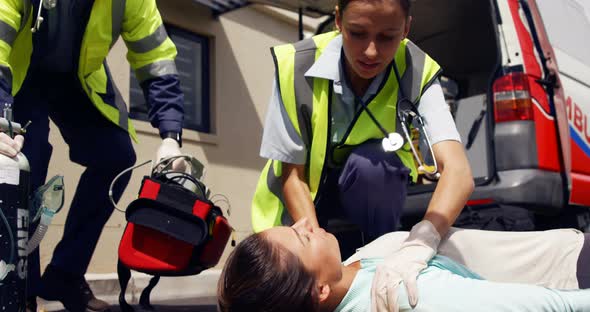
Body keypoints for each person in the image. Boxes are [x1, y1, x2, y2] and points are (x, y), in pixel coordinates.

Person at [251, 0, 473, 307]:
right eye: (357, 33)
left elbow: (458, 172)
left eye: (387, 37)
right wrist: (315, 254)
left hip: (368, 189)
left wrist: (421, 241)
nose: (371, 51)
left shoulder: (417, 70)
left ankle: (378, 263)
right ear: (339, 20)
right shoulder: (296, 65)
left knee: (374, 168)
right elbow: (292, 174)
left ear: (406, 29)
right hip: (300, 200)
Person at [0, 0, 185, 310]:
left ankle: (65, 274)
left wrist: (170, 135)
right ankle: (22, 288)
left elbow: (156, 58)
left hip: (77, 81)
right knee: (26, 163)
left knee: (116, 157)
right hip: (22, 75)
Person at [218, 218, 590, 312]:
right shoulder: (405, 296)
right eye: (301, 238)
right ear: (319, 290)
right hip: (571, 274)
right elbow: (546, 307)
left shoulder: (350, 271)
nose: (304, 223)